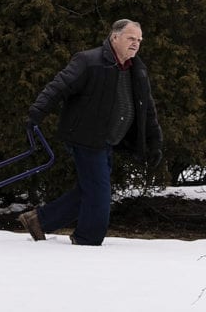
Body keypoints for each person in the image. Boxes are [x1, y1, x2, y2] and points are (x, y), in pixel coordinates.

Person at [21, 19, 163, 246]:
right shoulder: (90, 61)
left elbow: (147, 110)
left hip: (106, 140)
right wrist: (36, 113)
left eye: (139, 40)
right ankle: (86, 241)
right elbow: (59, 86)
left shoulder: (137, 69)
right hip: (84, 137)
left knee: (91, 189)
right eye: (130, 39)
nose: (135, 44)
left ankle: (39, 220)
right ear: (114, 37)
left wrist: (154, 142)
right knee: (99, 195)